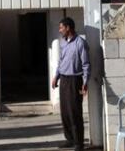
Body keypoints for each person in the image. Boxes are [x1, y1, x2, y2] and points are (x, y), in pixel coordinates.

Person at [51, 17, 90, 151]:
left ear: (68, 28)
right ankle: (70, 139)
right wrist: (56, 76)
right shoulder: (63, 43)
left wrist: (85, 83)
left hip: (75, 81)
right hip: (64, 80)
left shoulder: (80, 43)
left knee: (74, 112)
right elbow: (61, 62)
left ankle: (79, 143)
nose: (60, 30)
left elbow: (85, 64)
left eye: (61, 27)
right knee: (65, 112)